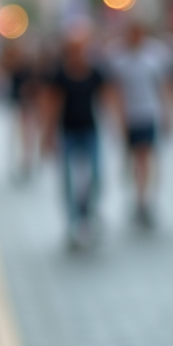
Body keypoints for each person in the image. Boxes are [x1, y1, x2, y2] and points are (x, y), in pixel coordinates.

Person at [41, 24, 114, 248]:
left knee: (96, 176)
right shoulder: (60, 75)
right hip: (67, 133)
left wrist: (115, 124)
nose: (78, 52)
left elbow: (108, 97)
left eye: (81, 47)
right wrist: (48, 135)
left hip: (90, 131)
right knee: (68, 180)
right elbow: (52, 105)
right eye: (73, 48)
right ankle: (73, 222)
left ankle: (88, 213)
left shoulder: (95, 72)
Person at [105, 22, 173, 228]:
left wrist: (170, 114)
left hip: (149, 114)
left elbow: (165, 86)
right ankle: (137, 196)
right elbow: (114, 91)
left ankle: (145, 200)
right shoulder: (117, 57)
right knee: (133, 160)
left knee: (146, 157)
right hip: (129, 117)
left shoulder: (156, 55)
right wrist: (116, 119)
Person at [1, 40, 40, 180]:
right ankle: (17, 163)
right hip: (16, 104)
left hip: (27, 105)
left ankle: (26, 162)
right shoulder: (13, 65)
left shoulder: (30, 67)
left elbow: (34, 85)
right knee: (16, 136)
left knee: (27, 136)